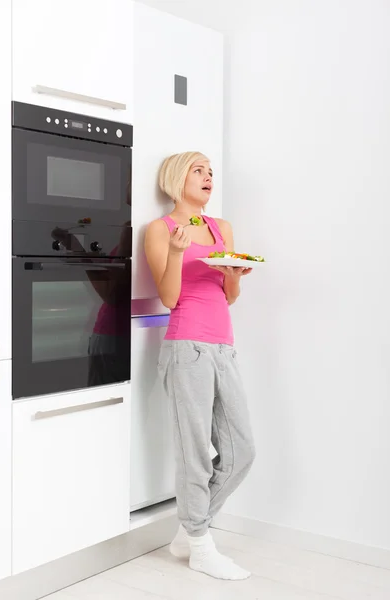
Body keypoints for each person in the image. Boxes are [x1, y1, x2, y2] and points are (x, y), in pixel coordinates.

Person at [144, 151, 256, 580]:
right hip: (185, 346)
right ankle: (200, 546)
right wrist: (175, 253)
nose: (209, 177)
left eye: (211, 172)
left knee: (241, 451)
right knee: (195, 456)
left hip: (224, 347)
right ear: (177, 178)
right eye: (199, 170)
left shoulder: (220, 228)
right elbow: (170, 299)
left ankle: (190, 532)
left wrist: (234, 275)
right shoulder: (162, 229)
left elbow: (228, 297)